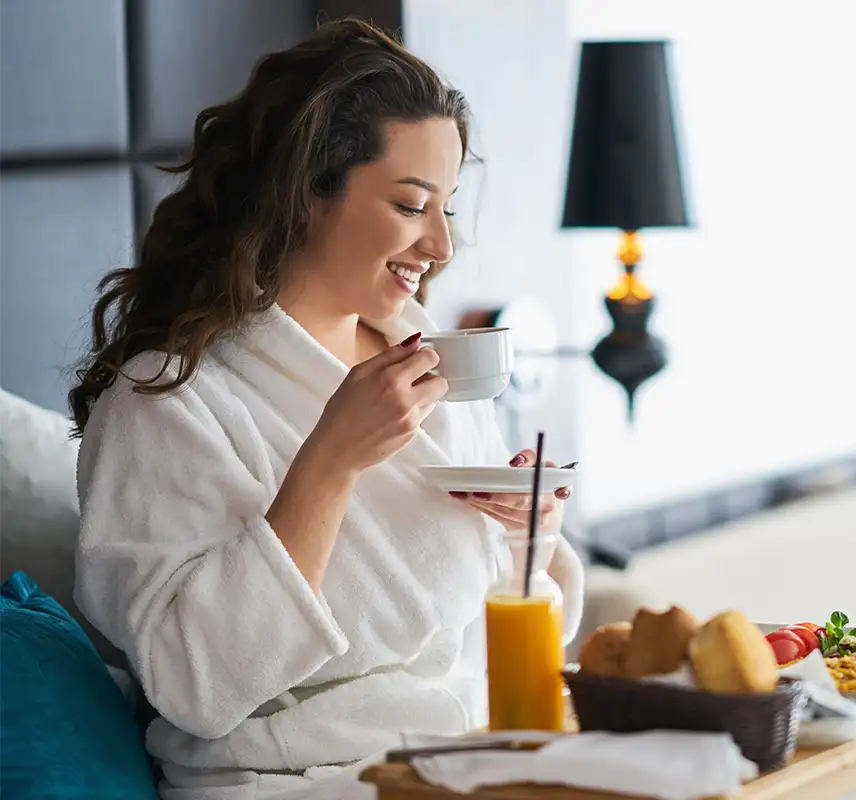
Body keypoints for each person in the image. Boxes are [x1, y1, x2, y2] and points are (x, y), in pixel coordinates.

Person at [67, 18, 583, 800]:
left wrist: (530, 544)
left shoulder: (427, 364)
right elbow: (193, 686)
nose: (441, 245)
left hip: (474, 758)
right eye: (413, 205)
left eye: (447, 206)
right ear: (308, 193)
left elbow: (483, 635)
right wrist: (330, 462)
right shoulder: (169, 401)